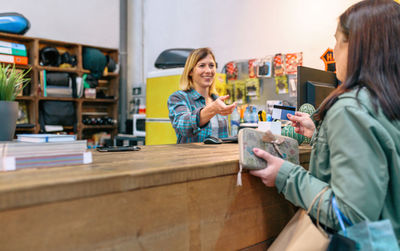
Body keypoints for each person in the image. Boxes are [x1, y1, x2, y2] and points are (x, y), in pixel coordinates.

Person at [250, 0, 400, 243]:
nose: (334, 50)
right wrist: (320, 132)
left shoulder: (351, 109)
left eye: (337, 40)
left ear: (356, 46)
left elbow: (349, 215)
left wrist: (285, 175)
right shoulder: (385, 101)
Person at [168, 48, 237, 143]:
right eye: (202, 66)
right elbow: (183, 127)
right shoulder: (178, 98)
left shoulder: (217, 100)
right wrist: (212, 109)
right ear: (190, 71)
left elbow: (222, 137)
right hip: (193, 157)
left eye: (211, 65)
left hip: (220, 157)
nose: (208, 70)